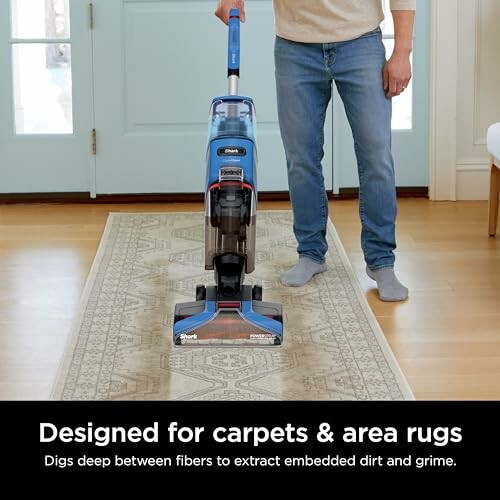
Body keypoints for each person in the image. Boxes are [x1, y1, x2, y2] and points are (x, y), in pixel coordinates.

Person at [215, 0, 414, 302]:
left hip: (360, 42)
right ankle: (310, 253)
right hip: (295, 46)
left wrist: (402, 52)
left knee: (376, 156)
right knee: (301, 158)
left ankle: (381, 261)